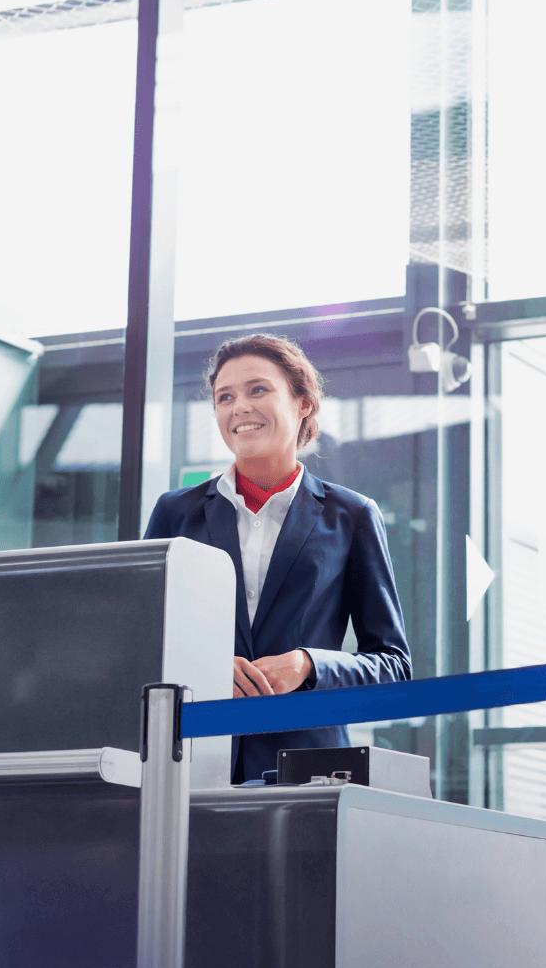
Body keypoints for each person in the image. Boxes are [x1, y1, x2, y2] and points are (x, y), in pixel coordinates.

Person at [143, 333, 410, 784]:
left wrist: (309, 665)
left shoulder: (352, 516)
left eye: (258, 389)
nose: (239, 407)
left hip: (308, 772)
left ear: (303, 402)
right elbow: (138, 643)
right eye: (224, 397)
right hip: (187, 764)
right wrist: (201, 666)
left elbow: (393, 666)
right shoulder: (176, 512)